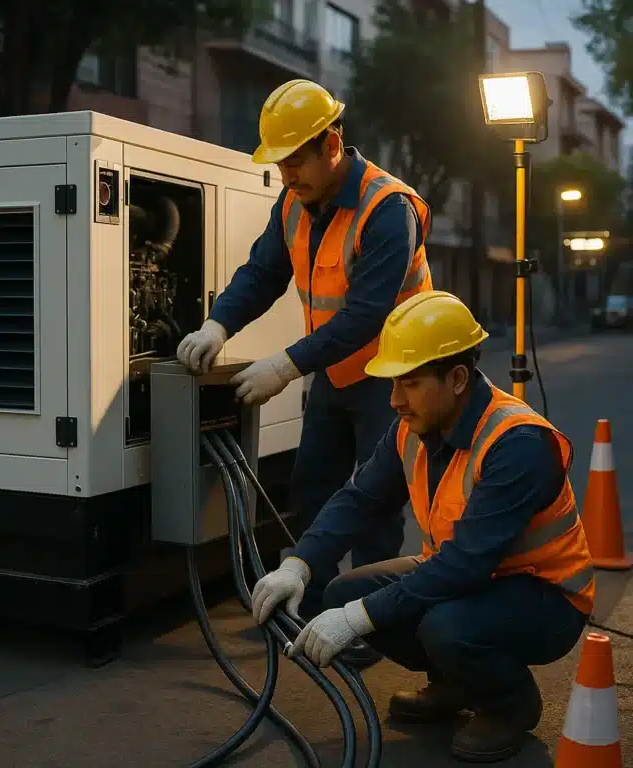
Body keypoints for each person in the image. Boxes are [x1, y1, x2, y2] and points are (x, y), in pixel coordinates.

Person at [250, 291, 595, 764]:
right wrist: (299, 564)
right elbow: (361, 499)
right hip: (469, 578)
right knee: (343, 593)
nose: (394, 401)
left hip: (546, 598)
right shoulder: (412, 427)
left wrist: (358, 620)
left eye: (409, 384)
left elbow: (464, 566)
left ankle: (510, 705)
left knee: (442, 625)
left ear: (456, 379)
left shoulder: (518, 443)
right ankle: (455, 683)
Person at [176, 79, 434, 616]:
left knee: (376, 503)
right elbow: (262, 272)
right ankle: (311, 607)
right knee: (313, 489)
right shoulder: (294, 201)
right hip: (335, 373)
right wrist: (217, 326)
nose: (286, 175)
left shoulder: (388, 207)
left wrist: (285, 365)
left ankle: (365, 622)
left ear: (332, 145)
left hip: (393, 379)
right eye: (279, 164)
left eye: (295, 161)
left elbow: (367, 315)